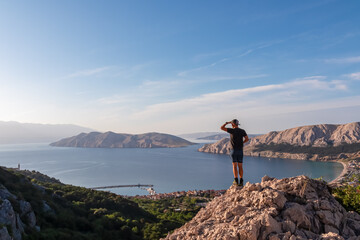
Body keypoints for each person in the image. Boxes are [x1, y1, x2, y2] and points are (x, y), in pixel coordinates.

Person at [221, 119, 249, 186]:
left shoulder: (232, 130)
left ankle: (236, 180)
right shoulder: (242, 131)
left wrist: (226, 123)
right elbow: (247, 139)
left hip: (233, 150)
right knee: (240, 166)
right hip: (240, 150)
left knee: (234, 166)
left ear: (232, 124)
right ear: (237, 124)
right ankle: (241, 180)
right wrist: (242, 142)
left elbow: (221, 128)